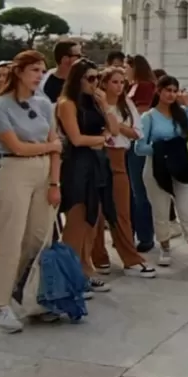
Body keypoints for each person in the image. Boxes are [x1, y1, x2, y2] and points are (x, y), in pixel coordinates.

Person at [0, 51, 63, 333]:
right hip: (15, 169)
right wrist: (50, 147)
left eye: (42, 70)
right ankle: (0, 302)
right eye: (34, 70)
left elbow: (56, 145)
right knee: (9, 237)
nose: (40, 75)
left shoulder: (44, 104)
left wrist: (55, 183)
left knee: (38, 238)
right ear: (19, 72)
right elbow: (16, 146)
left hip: (43, 172)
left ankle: (25, 292)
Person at [55, 58, 118, 290]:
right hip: (77, 164)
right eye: (90, 78)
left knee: (93, 219)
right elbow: (77, 139)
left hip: (97, 163)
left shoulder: (94, 102)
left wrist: (106, 105)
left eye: (97, 78)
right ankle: (70, 275)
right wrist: (102, 140)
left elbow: (114, 129)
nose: (95, 83)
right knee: (77, 220)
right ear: (78, 79)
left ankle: (85, 268)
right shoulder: (67, 103)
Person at [134, 76, 188, 269]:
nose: (171, 94)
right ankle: (165, 248)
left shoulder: (180, 114)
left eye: (175, 91)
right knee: (161, 211)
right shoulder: (148, 117)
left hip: (180, 166)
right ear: (159, 91)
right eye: (168, 90)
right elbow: (139, 147)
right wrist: (161, 149)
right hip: (157, 167)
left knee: (187, 211)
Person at [93, 68, 154, 278]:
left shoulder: (125, 104)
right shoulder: (95, 102)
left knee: (122, 210)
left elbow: (137, 133)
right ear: (104, 83)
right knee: (96, 212)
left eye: (122, 82)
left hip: (119, 156)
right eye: (115, 82)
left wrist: (117, 126)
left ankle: (130, 258)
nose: (119, 87)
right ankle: (98, 257)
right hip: (98, 156)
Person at [127, 55, 159, 252]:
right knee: (131, 190)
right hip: (127, 139)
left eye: (126, 66)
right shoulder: (132, 86)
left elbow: (142, 113)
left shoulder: (145, 86)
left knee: (139, 190)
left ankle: (146, 235)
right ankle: (132, 232)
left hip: (137, 140)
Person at [43, 38, 82, 104]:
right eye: (78, 56)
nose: (81, 59)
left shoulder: (82, 80)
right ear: (65, 59)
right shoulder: (47, 86)